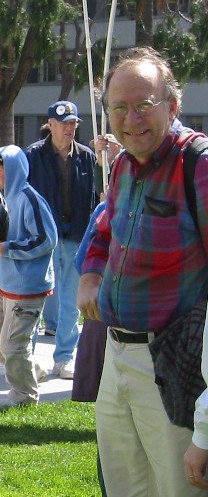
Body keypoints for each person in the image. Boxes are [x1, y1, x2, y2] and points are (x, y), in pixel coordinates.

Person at [77, 47, 208, 496]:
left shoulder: (200, 165)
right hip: (117, 357)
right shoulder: (123, 167)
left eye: (143, 106)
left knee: (180, 489)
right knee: (123, 487)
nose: (130, 119)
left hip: (176, 366)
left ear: (172, 106)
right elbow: (103, 232)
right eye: (118, 108)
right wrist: (91, 275)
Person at [0, 145, 57, 410]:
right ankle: (29, 370)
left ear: (13, 171)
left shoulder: (29, 198)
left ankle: (23, 395)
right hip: (4, 283)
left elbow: (47, 240)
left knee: (14, 345)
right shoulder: (5, 198)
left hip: (28, 287)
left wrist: (10, 249)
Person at [26, 100, 97, 379]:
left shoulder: (87, 156)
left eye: (73, 124)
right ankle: (28, 358)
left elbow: (93, 195)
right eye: (64, 123)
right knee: (37, 298)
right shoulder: (33, 154)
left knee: (70, 301)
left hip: (75, 236)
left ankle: (64, 357)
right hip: (44, 237)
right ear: (51, 125)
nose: (69, 128)